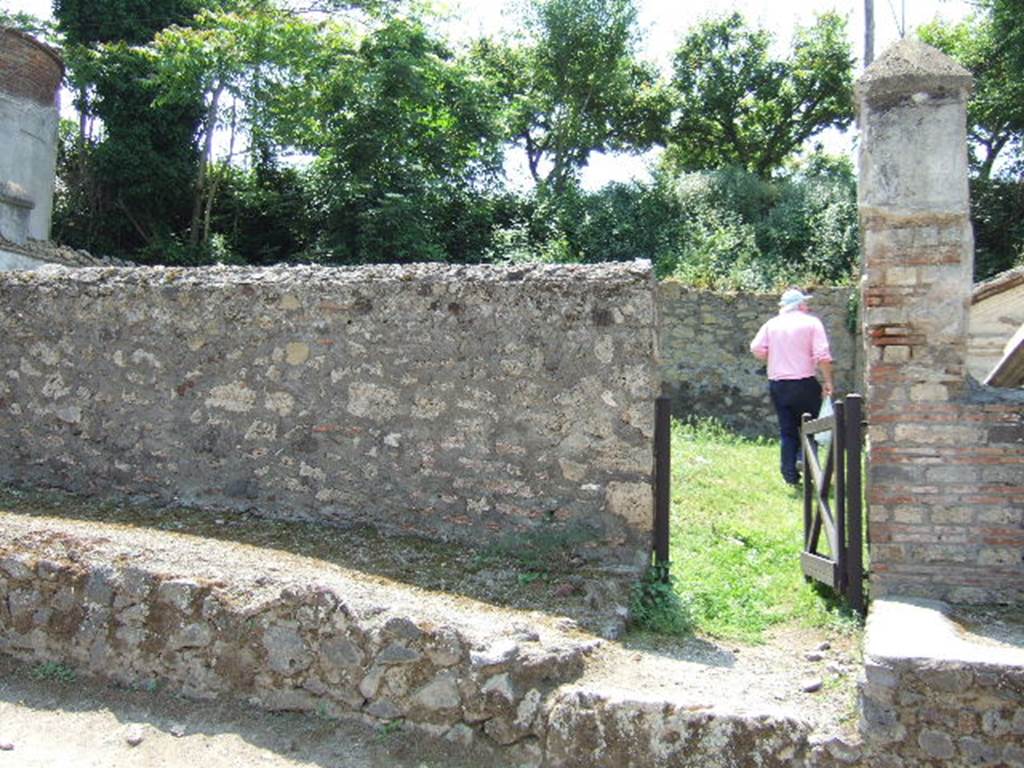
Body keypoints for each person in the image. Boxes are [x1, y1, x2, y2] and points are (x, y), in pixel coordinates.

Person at [750, 288, 834, 486]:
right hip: (804, 382)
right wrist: (828, 380)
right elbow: (822, 354)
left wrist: (774, 356)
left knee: (787, 430)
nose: (808, 306)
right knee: (812, 426)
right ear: (800, 305)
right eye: (805, 303)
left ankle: (789, 474)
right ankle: (803, 459)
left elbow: (756, 348)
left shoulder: (772, 324)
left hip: (778, 384)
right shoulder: (811, 323)